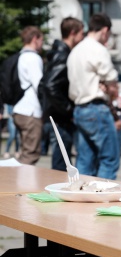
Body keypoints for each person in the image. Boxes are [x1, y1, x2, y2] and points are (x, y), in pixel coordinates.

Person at [67, 13, 120, 180]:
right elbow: (112, 81)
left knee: (85, 159)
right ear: (105, 30)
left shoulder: (75, 51)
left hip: (80, 108)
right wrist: (109, 87)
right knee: (109, 158)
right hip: (96, 108)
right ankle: (101, 197)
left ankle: (80, 197)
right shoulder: (98, 49)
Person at [39, 17, 84, 171]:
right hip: (61, 118)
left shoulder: (59, 54)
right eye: (81, 34)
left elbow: (43, 84)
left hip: (57, 115)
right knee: (61, 164)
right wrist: (67, 109)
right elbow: (49, 85)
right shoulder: (63, 55)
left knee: (63, 161)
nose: (82, 38)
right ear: (73, 33)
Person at [13, 26, 44, 165]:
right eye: (41, 40)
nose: (42, 44)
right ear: (35, 39)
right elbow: (40, 85)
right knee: (30, 155)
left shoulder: (19, 57)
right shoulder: (32, 58)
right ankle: (18, 186)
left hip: (19, 109)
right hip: (31, 111)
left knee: (25, 152)